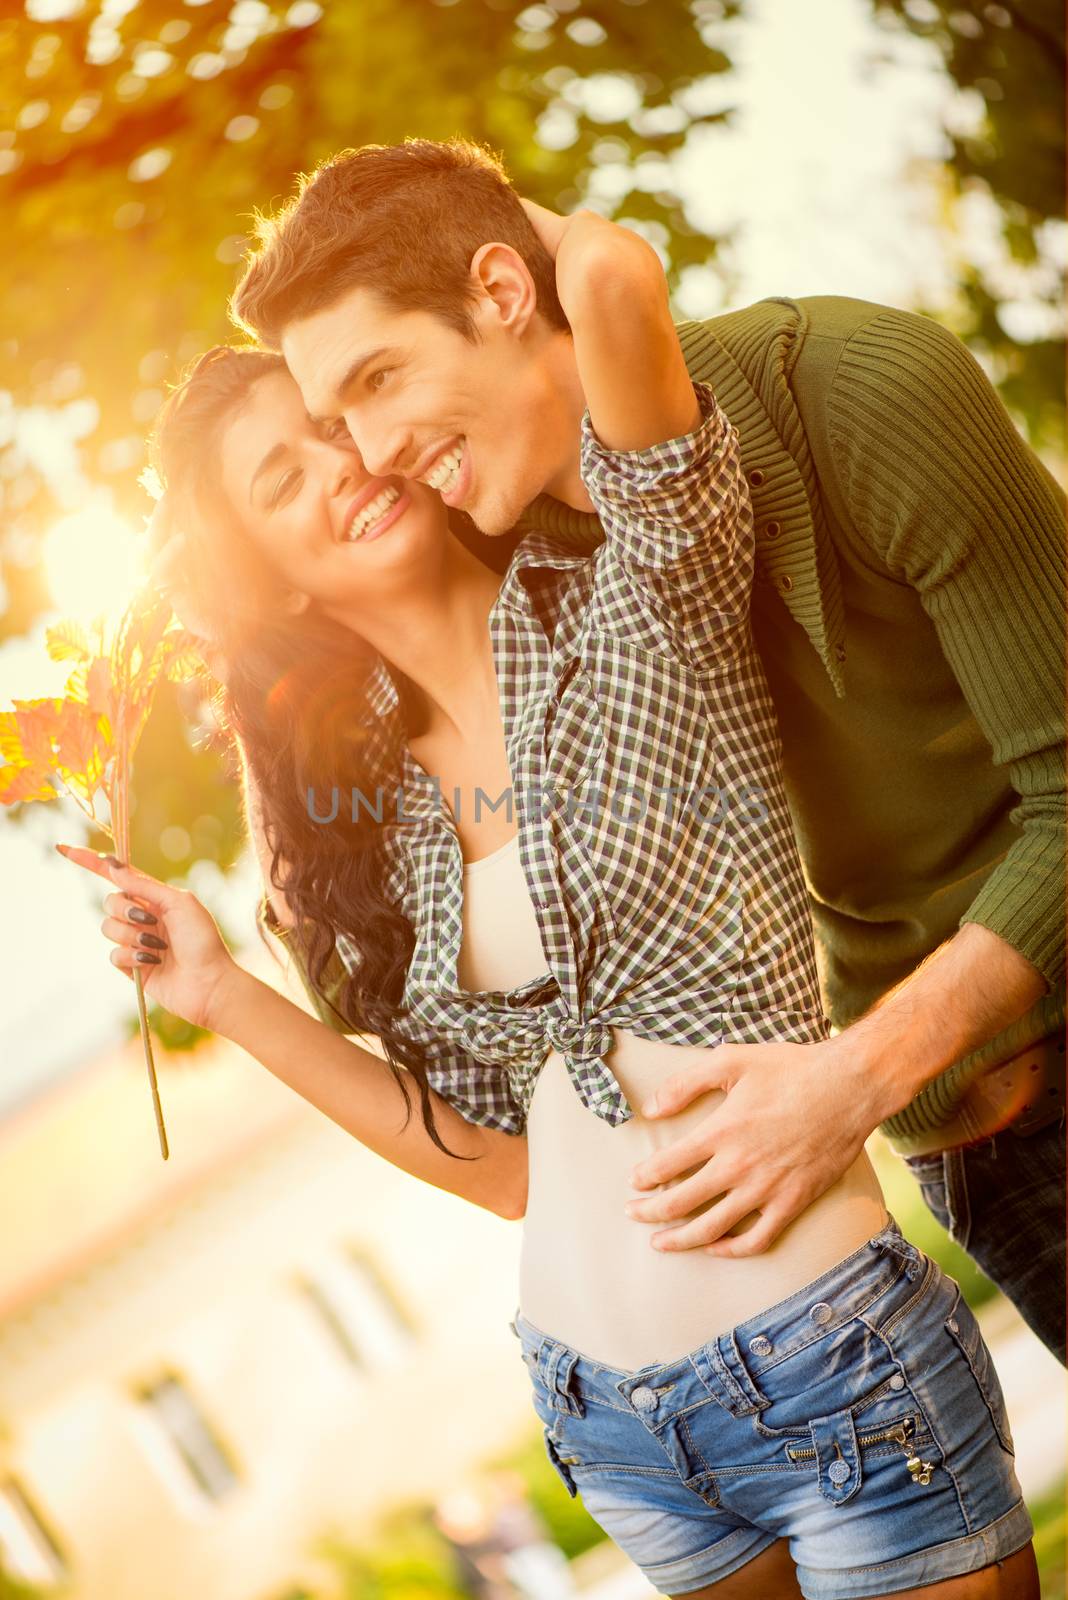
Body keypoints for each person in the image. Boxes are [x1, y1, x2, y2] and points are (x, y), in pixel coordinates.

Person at [60, 206, 1036, 1598]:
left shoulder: (644, 589)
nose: (351, 463)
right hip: (616, 1424)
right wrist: (221, 995)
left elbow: (618, 280)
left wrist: (444, 226)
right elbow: (506, 1168)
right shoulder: (363, 832)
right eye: (286, 478)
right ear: (262, 572)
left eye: (349, 414)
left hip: (835, 1359)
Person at [227, 138, 1066, 1365]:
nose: (372, 449)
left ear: (508, 291)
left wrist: (852, 1078)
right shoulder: (531, 581)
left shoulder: (859, 390)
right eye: (336, 416)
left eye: (380, 378)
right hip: (975, 1138)